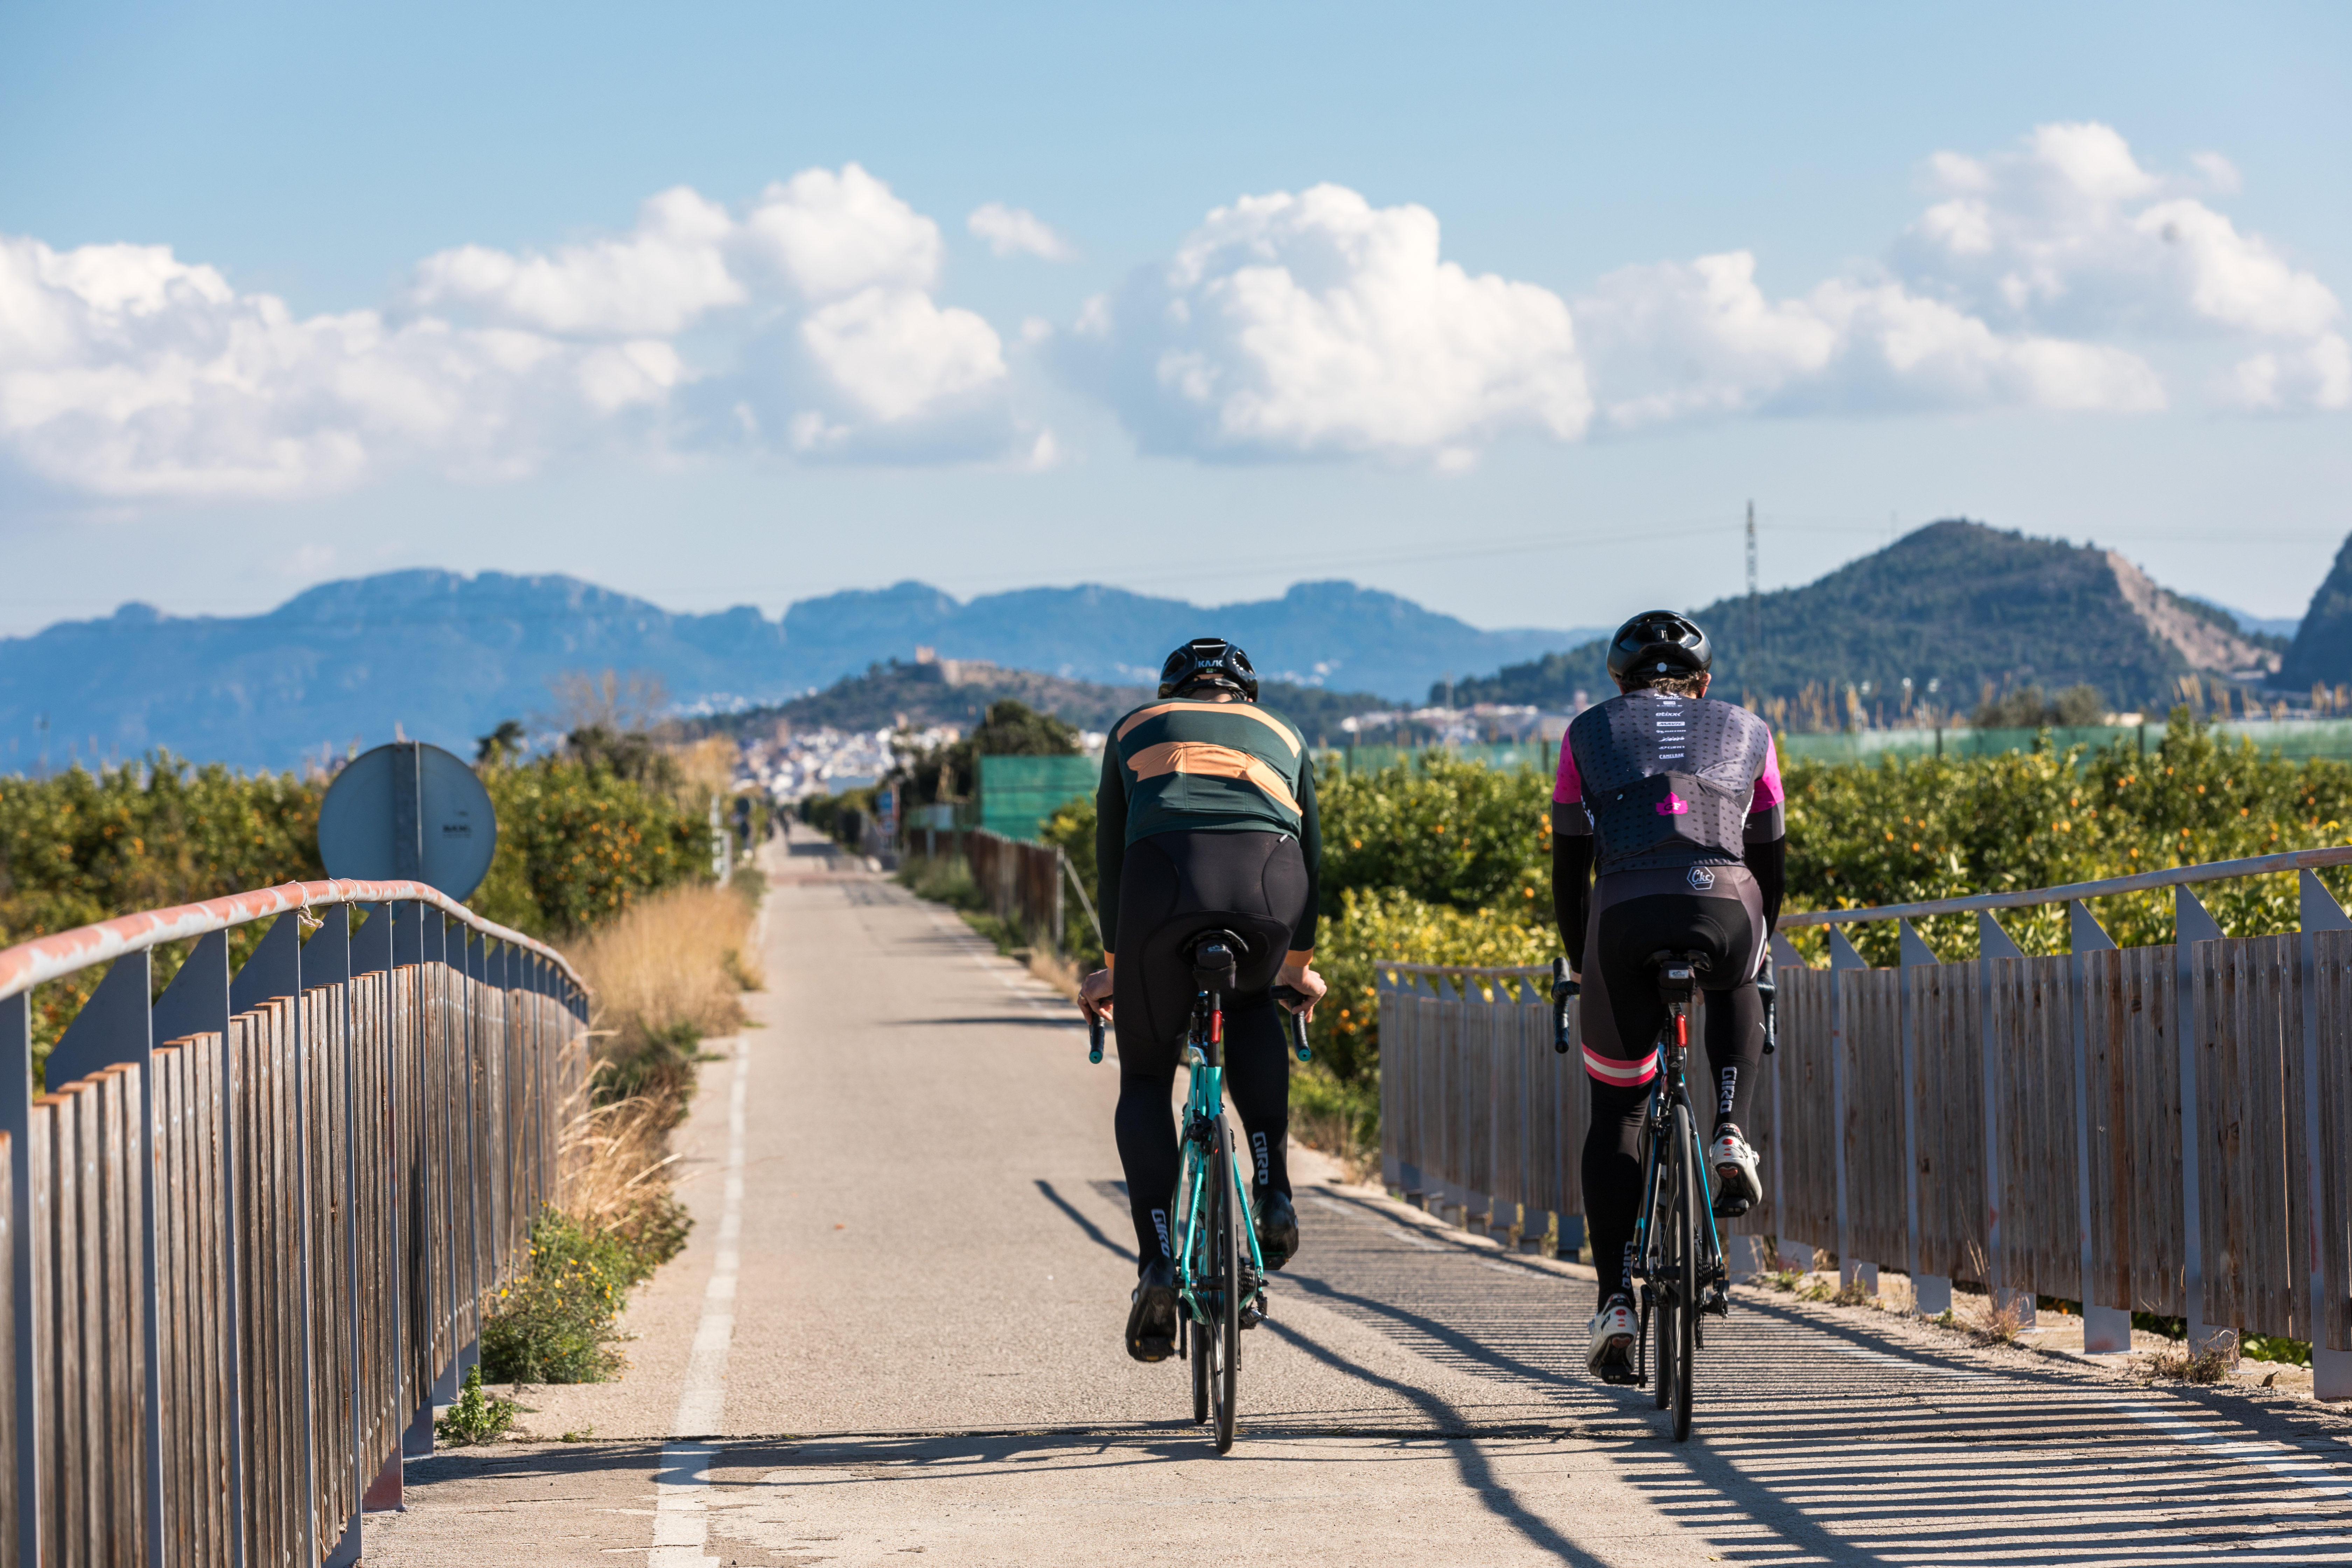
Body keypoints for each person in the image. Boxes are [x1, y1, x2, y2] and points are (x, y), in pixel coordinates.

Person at [1077, 637, 1328, 1363]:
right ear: (1243, 695)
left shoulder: (1133, 727)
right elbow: (1313, 852)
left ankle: (1157, 1259)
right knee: (1251, 1006)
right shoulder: (1284, 732)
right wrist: (1298, 967)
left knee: (1149, 1078)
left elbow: (1111, 853)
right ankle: (1275, 1186)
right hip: (1268, 887)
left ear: (1172, 693)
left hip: (1161, 887)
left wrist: (1118, 973)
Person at [1551, 610, 1785, 1383]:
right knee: (1741, 975)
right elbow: (1772, 856)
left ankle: (1616, 1295)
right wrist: (1760, 940)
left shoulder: (1587, 732)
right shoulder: (1749, 728)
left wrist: (1580, 963)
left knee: (1617, 1108)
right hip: (1724, 901)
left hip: (1620, 914)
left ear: (1618, 683)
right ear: (1704, 683)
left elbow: (1568, 864)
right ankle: (1728, 1129)